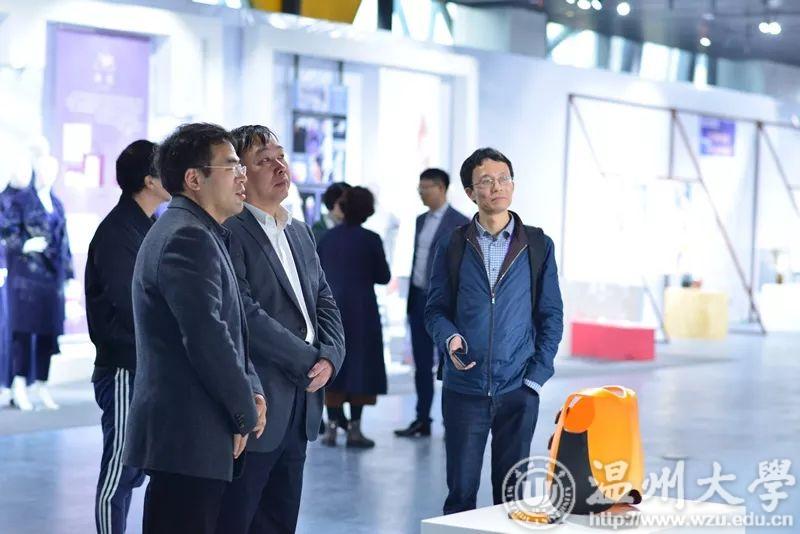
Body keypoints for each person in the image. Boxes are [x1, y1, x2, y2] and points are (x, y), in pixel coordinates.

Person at [123, 123, 266, 534]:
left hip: (194, 437)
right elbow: (208, 339)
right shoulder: (187, 236)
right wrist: (244, 411)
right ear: (194, 179)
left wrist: (252, 389)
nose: (242, 177)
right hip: (188, 436)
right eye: (232, 166)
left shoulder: (201, 231)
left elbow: (230, 328)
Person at [214, 125, 345, 534]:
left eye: (281, 157)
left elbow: (323, 298)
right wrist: (309, 359)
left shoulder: (299, 230)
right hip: (258, 402)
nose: (279, 167)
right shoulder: (230, 231)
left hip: (303, 404)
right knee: (237, 519)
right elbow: (246, 314)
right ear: (240, 174)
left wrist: (331, 356)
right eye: (263, 160)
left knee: (280, 520)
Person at [425, 148, 563, 515]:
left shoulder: (537, 245)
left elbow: (551, 315)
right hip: (464, 389)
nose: (497, 187)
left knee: (512, 498)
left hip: (518, 388)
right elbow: (435, 310)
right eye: (486, 181)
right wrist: (449, 338)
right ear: (471, 192)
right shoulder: (453, 244)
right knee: (460, 495)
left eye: (504, 179)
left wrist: (536, 377)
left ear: (513, 186)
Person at [85, 140, 170, 534]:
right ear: (149, 180)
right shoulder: (117, 232)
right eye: (165, 168)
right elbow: (130, 303)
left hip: (145, 367)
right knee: (120, 472)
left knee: (139, 469)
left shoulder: (146, 225)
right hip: (124, 367)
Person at [395, 168, 468, 438]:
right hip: (418, 300)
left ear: (441, 188)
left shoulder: (461, 223)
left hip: (446, 306)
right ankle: (422, 419)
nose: (421, 193)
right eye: (420, 188)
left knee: (449, 365)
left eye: (426, 188)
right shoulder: (420, 220)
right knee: (422, 365)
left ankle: (452, 422)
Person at [317, 186, 390, 448]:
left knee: (333, 364)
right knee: (361, 367)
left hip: (330, 311)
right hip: (363, 312)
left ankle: (331, 428)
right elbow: (384, 276)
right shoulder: (371, 239)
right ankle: (355, 430)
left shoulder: (326, 238)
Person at [5, 150, 73, 411]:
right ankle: (19, 384)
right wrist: (24, 245)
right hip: (26, 277)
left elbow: (64, 241)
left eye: (51, 171)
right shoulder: (20, 201)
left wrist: (68, 275)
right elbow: (7, 231)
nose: (47, 176)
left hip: (51, 279)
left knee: (48, 331)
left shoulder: (56, 203)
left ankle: (42, 384)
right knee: (23, 331)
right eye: (43, 170)